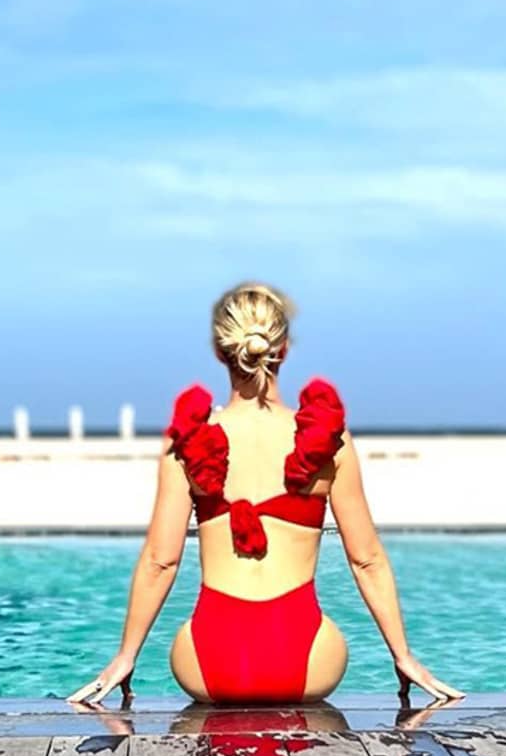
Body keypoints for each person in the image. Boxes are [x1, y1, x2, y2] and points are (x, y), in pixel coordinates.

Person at [68, 281, 463, 707]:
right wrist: (403, 656)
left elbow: (160, 562)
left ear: (221, 352)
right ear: (284, 350)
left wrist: (125, 657)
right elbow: (365, 559)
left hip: (209, 662)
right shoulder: (328, 439)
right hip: (307, 659)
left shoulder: (188, 441)